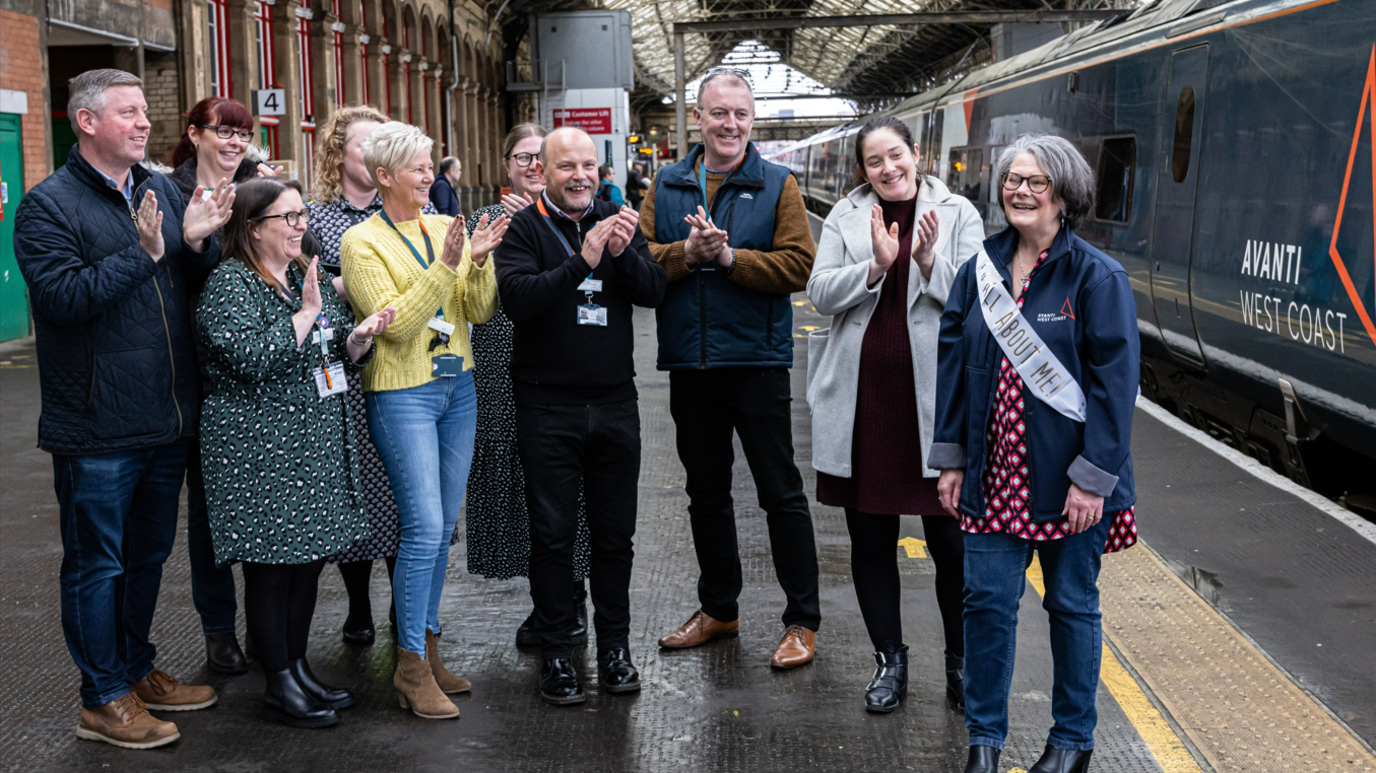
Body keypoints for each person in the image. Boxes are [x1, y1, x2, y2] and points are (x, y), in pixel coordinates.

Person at [13, 68, 232, 749]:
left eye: (144, 112)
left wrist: (196, 241)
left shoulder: (159, 188)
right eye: (129, 112)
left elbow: (193, 281)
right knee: (96, 565)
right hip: (97, 426)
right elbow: (63, 300)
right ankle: (101, 695)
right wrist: (145, 253)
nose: (143, 123)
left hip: (165, 416)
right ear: (87, 122)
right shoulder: (46, 207)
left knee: (146, 558)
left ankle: (136, 669)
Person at [931, 134, 1140, 773]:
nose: (1020, 192)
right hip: (993, 478)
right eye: (1012, 180)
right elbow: (954, 363)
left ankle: (1072, 742)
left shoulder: (1097, 277)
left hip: (1068, 482)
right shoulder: (980, 269)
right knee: (986, 606)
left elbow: (1116, 386)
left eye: (1036, 182)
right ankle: (985, 742)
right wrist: (951, 456)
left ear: (1064, 194)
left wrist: (1093, 479)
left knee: (1071, 607)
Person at [197, 178, 395, 728]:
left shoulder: (299, 273)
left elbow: (330, 347)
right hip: (257, 448)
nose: (299, 225)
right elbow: (249, 357)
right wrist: (305, 314)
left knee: (307, 561)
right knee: (271, 567)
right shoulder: (229, 283)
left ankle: (299, 668)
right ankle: (278, 683)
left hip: (311, 442)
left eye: (301, 214)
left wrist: (357, 340)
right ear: (252, 227)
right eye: (286, 218)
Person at [640, 69, 821, 670]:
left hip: (758, 364)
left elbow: (799, 266)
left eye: (740, 114)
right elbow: (639, 265)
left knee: (781, 494)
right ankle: (719, 607)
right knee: (706, 494)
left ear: (752, 119)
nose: (730, 125)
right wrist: (685, 256)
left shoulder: (777, 184)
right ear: (698, 117)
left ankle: (801, 620)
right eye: (719, 113)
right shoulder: (666, 186)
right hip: (692, 367)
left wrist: (730, 256)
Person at [806, 116, 986, 713]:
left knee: (953, 545)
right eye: (874, 161)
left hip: (938, 407)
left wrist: (930, 262)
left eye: (895, 156)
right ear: (863, 170)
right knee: (871, 541)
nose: (887, 169)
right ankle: (890, 662)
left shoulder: (957, 214)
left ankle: (961, 666)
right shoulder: (845, 217)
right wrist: (876, 268)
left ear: (916, 154)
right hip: (863, 407)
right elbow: (820, 293)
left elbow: (983, 303)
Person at [341, 122, 508, 720]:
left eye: (431, 165)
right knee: (423, 525)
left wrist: (480, 264)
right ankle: (410, 665)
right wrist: (444, 268)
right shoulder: (360, 243)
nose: (430, 176)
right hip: (402, 393)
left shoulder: (445, 225)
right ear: (384, 176)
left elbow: (479, 312)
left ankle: (428, 647)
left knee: (442, 530)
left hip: (456, 386)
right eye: (417, 167)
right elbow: (401, 324)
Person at [495, 126, 666, 706]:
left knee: (616, 537)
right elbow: (518, 299)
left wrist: (621, 253)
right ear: (543, 172)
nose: (580, 176)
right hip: (547, 406)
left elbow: (653, 291)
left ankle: (615, 649)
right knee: (552, 536)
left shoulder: (619, 219)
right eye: (567, 166)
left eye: (588, 165)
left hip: (616, 404)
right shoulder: (521, 228)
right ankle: (558, 656)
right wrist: (581, 262)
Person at [307, 105, 442, 645]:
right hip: (342, 369)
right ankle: (359, 605)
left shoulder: (418, 209)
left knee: (399, 494)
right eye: (368, 143)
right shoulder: (318, 219)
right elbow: (305, 288)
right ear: (343, 154)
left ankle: (404, 612)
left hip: (405, 366)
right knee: (357, 488)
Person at [465, 122, 594, 647]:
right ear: (507, 165)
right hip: (499, 362)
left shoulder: (579, 220)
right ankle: (545, 598)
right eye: (522, 157)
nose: (533, 166)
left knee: (570, 480)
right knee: (518, 481)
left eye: (542, 156)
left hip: (562, 366)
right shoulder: (485, 221)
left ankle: (574, 595)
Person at [166, 95, 279, 675]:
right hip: (200, 372)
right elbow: (176, 277)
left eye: (242, 132)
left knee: (265, 506)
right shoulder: (171, 191)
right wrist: (199, 238)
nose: (234, 142)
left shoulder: (259, 186)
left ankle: (267, 628)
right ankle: (218, 629)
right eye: (223, 131)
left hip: (262, 372)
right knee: (209, 514)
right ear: (195, 134)